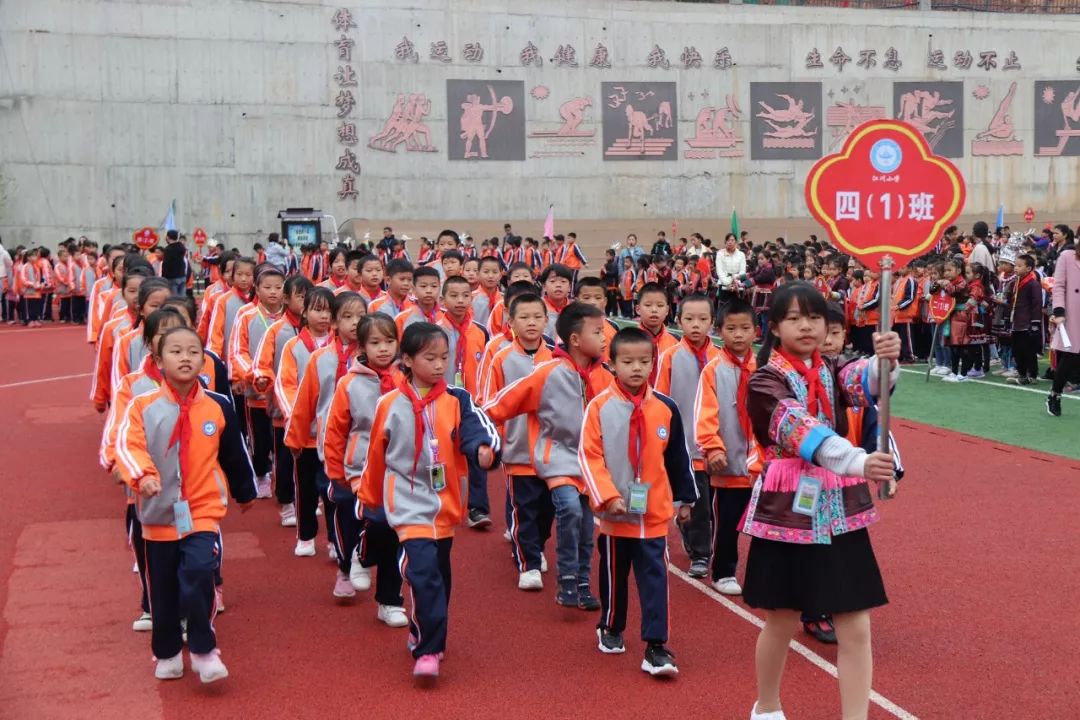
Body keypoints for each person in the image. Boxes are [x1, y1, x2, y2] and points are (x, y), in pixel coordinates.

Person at [741, 282, 899, 720]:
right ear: (773, 327)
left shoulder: (829, 368)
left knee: (856, 620)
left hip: (840, 507)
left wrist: (884, 358)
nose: (806, 326)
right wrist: (857, 461)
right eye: (794, 318)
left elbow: (864, 382)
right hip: (789, 507)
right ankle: (767, 706)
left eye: (813, 317)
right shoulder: (765, 381)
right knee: (783, 616)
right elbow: (802, 432)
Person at [113, 325, 257, 683]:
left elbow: (234, 451)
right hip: (157, 513)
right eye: (175, 352)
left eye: (194, 352)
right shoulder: (142, 405)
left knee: (198, 574)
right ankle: (166, 653)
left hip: (203, 510)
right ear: (158, 361)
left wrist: (244, 489)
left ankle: (205, 649)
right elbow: (128, 446)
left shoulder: (217, 405)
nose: (186, 358)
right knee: (162, 589)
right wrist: (142, 476)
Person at [358, 323, 500, 679]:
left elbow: (475, 428)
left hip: (443, 503)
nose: (439, 366)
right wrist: (370, 499)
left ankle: (428, 630)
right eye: (429, 358)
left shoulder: (456, 398)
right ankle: (428, 650)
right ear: (406, 359)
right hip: (406, 503)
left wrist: (483, 450)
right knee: (422, 573)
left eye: (444, 358)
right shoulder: (389, 403)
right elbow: (376, 453)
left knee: (439, 575)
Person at [580, 327, 696, 676]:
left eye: (644, 361)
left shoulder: (666, 408)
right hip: (616, 515)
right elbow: (589, 456)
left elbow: (678, 457)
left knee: (655, 577)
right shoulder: (599, 407)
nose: (636, 368)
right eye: (627, 361)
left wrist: (686, 498)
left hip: (654, 513)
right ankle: (612, 626)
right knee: (615, 574)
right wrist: (607, 496)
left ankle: (656, 645)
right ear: (612, 364)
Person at [484, 303, 612, 610]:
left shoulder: (606, 378)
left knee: (585, 527)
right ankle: (566, 577)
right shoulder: (548, 373)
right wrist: (481, 435)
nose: (605, 337)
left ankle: (582, 581)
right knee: (569, 509)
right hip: (556, 458)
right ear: (575, 339)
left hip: (590, 465)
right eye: (598, 332)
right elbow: (502, 404)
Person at [323, 313, 408, 619]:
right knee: (361, 520)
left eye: (389, 341)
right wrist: (335, 471)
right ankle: (355, 558)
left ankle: (390, 600)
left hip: (396, 471)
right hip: (359, 470)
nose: (383, 349)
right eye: (375, 342)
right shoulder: (349, 384)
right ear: (361, 345)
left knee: (393, 530)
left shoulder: (405, 380)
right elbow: (336, 430)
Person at [285, 291, 366, 568]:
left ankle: (338, 541)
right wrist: (295, 438)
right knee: (322, 490)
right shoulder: (320, 358)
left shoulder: (371, 358)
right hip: (325, 442)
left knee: (347, 498)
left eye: (361, 317)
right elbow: (305, 402)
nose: (355, 323)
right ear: (334, 321)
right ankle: (314, 537)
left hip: (359, 444)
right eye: (347, 317)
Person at [481, 292, 553, 590]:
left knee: (548, 510)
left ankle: (536, 544)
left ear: (547, 321)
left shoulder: (556, 357)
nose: (531, 323)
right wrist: (494, 441)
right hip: (518, 450)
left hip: (552, 452)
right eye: (524, 317)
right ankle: (528, 564)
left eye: (537, 317)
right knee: (523, 509)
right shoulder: (501, 358)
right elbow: (488, 402)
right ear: (510, 322)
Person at [694, 298, 761, 596]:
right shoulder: (713, 370)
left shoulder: (764, 368)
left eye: (745, 328)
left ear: (756, 332)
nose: (738, 334)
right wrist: (713, 448)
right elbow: (705, 412)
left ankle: (764, 573)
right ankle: (723, 571)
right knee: (728, 522)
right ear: (720, 331)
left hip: (762, 465)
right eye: (731, 328)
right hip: (729, 461)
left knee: (764, 524)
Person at [654, 293, 718, 579]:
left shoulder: (720, 358)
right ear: (678, 321)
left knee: (713, 504)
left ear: (712, 323)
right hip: (687, 446)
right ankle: (701, 554)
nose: (696, 325)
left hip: (718, 444)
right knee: (700, 502)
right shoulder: (670, 357)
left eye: (703, 319)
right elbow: (661, 400)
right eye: (689, 319)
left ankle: (697, 540)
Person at [251, 275, 314, 524]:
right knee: (285, 458)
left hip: (313, 411)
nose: (305, 302)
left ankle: (304, 498)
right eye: (300, 296)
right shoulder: (276, 330)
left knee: (310, 461)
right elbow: (262, 363)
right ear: (287, 300)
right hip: (282, 409)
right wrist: (263, 379)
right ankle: (287, 501)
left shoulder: (322, 332)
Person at [437, 274, 492, 527]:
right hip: (442, 399)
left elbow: (488, 367)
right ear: (442, 299)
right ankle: (440, 504)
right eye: (454, 296)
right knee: (441, 453)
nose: (460, 301)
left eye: (465, 296)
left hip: (472, 402)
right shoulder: (436, 330)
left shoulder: (481, 331)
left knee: (476, 450)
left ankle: (477, 508)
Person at [230, 266, 286, 499]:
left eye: (278, 287)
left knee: (283, 442)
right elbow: (237, 351)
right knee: (260, 438)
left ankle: (284, 484)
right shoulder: (246, 315)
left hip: (284, 392)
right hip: (257, 390)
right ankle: (261, 473)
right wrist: (247, 375)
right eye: (267, 287)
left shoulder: (290, 318)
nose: (273, 292)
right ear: (257, 289)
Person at [1048, 237, 1080, 416]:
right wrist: (1059, 311)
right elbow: (1058, 286)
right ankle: (1055, 394)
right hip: (1071, 315)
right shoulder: (1067, 257)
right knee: (1070, 357)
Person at [1007, 254, 1043, 386]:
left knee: (1028, 350)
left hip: (1027, 322)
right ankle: (1021, 373)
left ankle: (1032, 374)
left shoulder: (1033, 283)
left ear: (1028, 268)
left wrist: (1035, 322)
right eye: (1015, 265)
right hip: (1016, 321)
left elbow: (1037, 303)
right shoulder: (1016, 282)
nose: (1015, 268)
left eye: (1019, 266)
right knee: (1017, 350)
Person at [635, 282, 678, 385]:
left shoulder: (677, 343)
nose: (654, 310)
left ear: (667, 310)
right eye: (648, 305)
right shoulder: (627, 340)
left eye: (660, 305)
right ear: (638, 309)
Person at [395, 266, 443, 333]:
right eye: (423, 286)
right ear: (414, 289)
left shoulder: (446, 316)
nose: (429, 291)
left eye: (434, 286)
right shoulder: (402, 318)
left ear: (439, 288)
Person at [539, 264, 573, 338]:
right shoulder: (536, 307)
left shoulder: (576, 309)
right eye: (553, 281)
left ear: (570, 287)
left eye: (563, 281)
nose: (558, 285)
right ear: (544, 286)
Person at [161, 230, 189, 297]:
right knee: (182, 298)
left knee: (174, 299)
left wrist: (163, 277)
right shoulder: (182, 247)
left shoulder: (168, 249)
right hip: (182, 276)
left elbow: (166, 264)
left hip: (172, 277)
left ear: (167, 237)